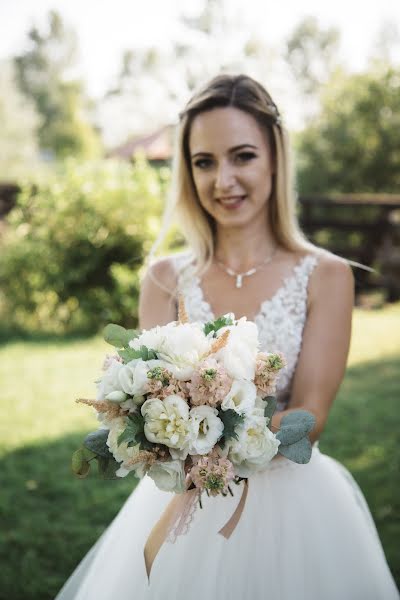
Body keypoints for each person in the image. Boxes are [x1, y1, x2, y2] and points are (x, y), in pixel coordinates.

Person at [55, 74, 399, 599]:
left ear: (275, 159)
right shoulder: (164, 278)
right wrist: (162, 434)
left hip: (297, 508)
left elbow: (310, 416)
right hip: (184, 503)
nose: (223, 180)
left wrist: (214, 441)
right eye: (204, 161)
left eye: (242, 156)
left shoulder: (326, 275)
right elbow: (149, 399)